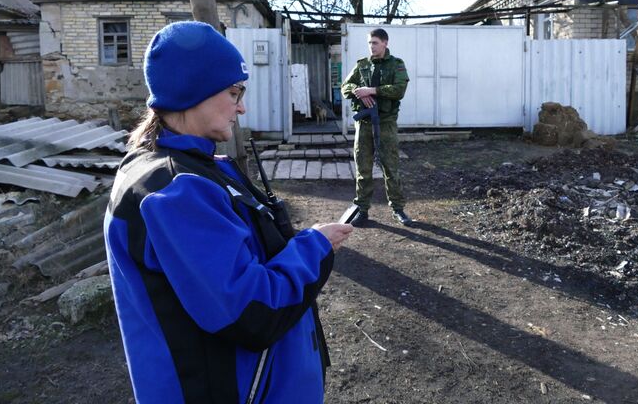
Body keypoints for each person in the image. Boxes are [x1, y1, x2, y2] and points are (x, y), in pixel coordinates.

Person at [104, 21, 352, 404]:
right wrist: (314, 246)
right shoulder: (177, 191)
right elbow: (250, 311)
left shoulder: (197, 170)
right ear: (194, 91)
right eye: (234, 92)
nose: (242, 106)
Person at [341, 28, 411, 226]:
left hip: (386, 123)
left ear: (385, 43)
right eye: (370, 43)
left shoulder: (396, 64)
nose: (372, 46)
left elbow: (399, 89)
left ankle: (398, 209)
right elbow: (345, 87)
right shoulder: (362, 65)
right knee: (363, 168)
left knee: (391, 167)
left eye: (375, 43)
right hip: (364, 125)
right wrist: (358, 91)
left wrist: (372, 91)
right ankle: (362, 210)